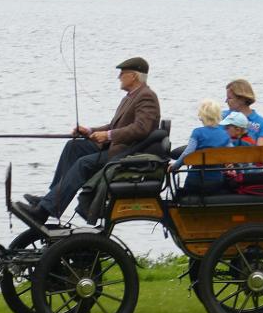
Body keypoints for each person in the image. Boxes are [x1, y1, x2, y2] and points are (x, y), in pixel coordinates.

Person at [17, 56, 161, 223]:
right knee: (74, 147)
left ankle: (44, 211)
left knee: (83, 164)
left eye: (122, 73)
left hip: (127, 154)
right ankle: (50, 198)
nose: (118, 77)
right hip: (115, 148)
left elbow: (141, 129)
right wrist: (91, 131)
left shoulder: (146, 96)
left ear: (133, 76)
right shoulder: (130, 97)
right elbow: (114, 124)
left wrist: (108, 135)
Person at [169, 101, 233, 193]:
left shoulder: (197, 132)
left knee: (181, 192)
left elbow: (187, 153)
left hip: (196, 180)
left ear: (202, 116)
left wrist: (175, 166)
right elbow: (232, 153)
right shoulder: (224, 134)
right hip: (216, 181)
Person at [224, 78, 263, 146]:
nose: (226, 101)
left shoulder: (262, 123)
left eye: (229, 98)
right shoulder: (222, 117)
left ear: (242, 99)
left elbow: (260, 150)